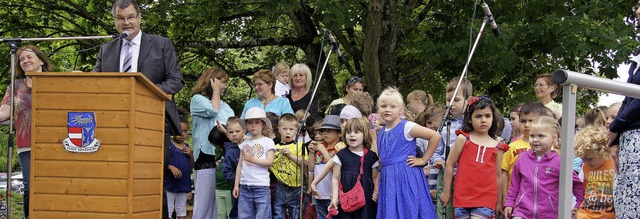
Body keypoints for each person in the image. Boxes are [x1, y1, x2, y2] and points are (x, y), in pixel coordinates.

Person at [0, 45, 53, 218]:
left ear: (40, 60)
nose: (25, 61)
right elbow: (4, 112)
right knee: (30, 187)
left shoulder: (55, 81)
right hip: (26, 144)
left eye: (29, 57)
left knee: (52, 186)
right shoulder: (15, 86)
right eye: (21, 59)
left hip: (53, 143)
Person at [376, 87, 441, 219]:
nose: (387, 109)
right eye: (383, 106)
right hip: (389, 180)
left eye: (392, 106)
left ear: (400, 110)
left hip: (406, 178)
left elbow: (435, 136)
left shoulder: (406, 126)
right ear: (378, 109)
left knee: (409, 210)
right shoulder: (381, 132)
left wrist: (423, 160)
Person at [440, 96, 509, 219]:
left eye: (487, 116)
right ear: (470, 119)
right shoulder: (463, 139)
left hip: (486, 198)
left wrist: (499, 202)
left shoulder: (498, 146)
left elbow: (498, 176)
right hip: (462, 196)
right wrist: (446, 192)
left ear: (493, 118)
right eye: (478, 116)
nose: (483, 120)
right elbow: (450, 164)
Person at [504, 116, 584, 219]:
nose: (535, 140)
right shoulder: (522, 158)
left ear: (554, 138)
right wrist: (509, 203)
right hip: (522, 212)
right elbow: (514, 185)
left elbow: (577, 185)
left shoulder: (559, 162)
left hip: (549, 214)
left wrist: (578, 205)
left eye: (541, 136)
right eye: (532, 136)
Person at [190, 68, 234, 219]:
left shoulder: (226, 105)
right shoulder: (197, 99)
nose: (224, 86)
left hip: (222, 155)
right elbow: (213, 111)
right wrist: (215, 90)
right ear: (212, 81)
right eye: (222, 82)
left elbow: (232, 124)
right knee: (204, 202)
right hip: (206, 154)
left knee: (219, 205)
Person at [608, 5, 640, 217]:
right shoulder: (637, 56)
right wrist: (617, 138)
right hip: (630, 138)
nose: (637, 12)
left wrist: (616, 125)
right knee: (626, 202)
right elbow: (629, 96)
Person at [434, 76, 472, 219]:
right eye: (448, 100)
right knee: (444, 210)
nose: (451, 104)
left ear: (468, 101)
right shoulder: (444, 124)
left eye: (456, 100)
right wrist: (437, 159)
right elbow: (437, 149)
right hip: (446, 175)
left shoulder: (471, 123)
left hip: (466, 176)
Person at [500, 102, 550, 207]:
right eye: (523, 121)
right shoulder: (512, 146)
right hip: (516, 200)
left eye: (532, 121)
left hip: (540, 200)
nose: (527, 125)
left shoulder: (548, 147)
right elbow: (503, 172)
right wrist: (505, 198)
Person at [328, 118, 380, 218]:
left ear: (364, 135)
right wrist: (334, 198)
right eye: (348, 132)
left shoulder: (372, 156)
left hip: (366, 198)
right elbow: (335, 177)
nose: (352, 135)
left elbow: (375, 177)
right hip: (347, 199)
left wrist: (376, 191)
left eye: (356, 132)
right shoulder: (342, 154)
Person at [233, 107, 276, 218]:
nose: (253, 125)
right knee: (244, 216)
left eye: (257, 122)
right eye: (250, 123)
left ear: (263, 125)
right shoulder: (245, 142)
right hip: (244, 186)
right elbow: (239, 165)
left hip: (261, 186)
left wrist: (253, 159)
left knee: (262, 215)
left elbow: (270, 161)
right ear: (246, 125)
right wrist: (236, 185)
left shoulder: (268, 141)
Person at [268, 114, 307, 219]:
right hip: (280, 186)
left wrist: (290, 155)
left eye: (291, 129)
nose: (288, 132)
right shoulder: (274, 147)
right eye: (285, 129)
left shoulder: (299, 146)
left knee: (295, 212)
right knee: (278, 210)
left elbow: (305, 164)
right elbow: (269, 164)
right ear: (279, 130)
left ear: (296, 131)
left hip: (296, 187)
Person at [308, 115, 345, 218]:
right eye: (323, 131)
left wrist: (324, 151)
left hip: (332, 195)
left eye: (329, 131)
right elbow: (311, 169)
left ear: (339, 133)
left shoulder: (340, 148)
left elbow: (334, 169)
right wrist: (311, 153)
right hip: (319, 194)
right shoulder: (320, 147)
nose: (325, 133)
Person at [574, 126, 615, 219]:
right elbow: (583, 189)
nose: (585, 162)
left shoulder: (614, 163)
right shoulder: (585, 167)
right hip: (585, 214)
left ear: (604, 151)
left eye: (589, 159)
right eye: (582, 159)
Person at [165, 117, 193, 219]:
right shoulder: (168, 145)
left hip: (183, 183)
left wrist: (191, 155)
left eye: (185, 131)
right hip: (170, 183)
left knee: (182, 210)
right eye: (179, 130)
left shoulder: (187, 147)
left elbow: (192, 166)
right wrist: (170, 167)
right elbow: (162, 161)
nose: (182, 134)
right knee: (168, 209)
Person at [221, 117, 244, 219]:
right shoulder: (230, 151)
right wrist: (238, 181)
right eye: (231, 132)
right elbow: (226, 171)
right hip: (238, 187)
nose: (234, 134)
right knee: (237, 210)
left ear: (244, 131)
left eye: (237, 131)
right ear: (227, 134)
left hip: (251, 184)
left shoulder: (248, 145)